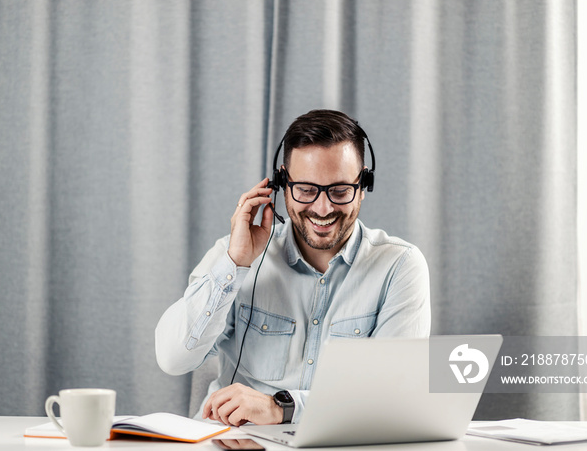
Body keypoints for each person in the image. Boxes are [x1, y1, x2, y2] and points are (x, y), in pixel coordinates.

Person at [155, 109, 430, 427]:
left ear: (363, 184)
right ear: (282, 183)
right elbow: (173, 359)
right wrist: (235, 264)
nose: (323, 208)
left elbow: (392, 396)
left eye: (340, 191)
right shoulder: (235, 257)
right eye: (306, 190)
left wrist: (282, 407)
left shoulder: (399, 267)